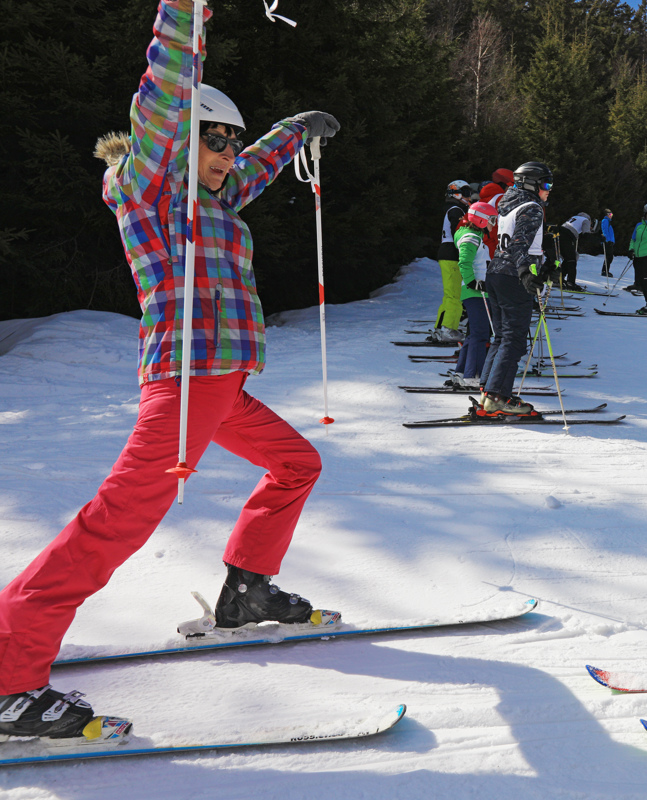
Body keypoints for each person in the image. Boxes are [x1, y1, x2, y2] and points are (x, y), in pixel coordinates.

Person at [0, 0, 340, 742]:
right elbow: (166, 89)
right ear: (176, 143)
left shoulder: (215, 200)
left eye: (231, 144)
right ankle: (7, 678)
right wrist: (186, 13)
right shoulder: (153, 192)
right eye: (211, 141)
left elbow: (252, 169)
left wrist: (292, 132)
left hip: (223, 389)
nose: (224, 155)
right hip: (185, 389)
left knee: (295, 463)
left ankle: (246, 591)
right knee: (115, 524)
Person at [479, 161, 555, 416]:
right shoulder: (532, 208)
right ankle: (497, 397)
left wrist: (543, 268)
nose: (549, 190)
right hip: (513, 278)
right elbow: (519, 246)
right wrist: (526, 273)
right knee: (513, 339)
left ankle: (488, 391)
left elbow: (516, 244)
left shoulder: (507, 204)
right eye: (546, 184)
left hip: (496, 274)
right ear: (531, 184)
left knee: (501, 336)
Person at [447, 201, 498, 389]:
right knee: (481, 334)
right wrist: (472, 282)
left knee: (473, 334)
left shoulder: (473, 235)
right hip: (476, 293)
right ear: (481, 219)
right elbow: (464, 262)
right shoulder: (471, 237)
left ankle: (462, 372)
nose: (493, 223)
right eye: (491, 219)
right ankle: (473, 375)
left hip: (477, 291)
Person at [433, 179, 471, 342]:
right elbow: (460, 232)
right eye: (467, 193)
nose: (470, 197)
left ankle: (440, 328)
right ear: (457, 193)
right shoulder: (456, 210)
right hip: (452, 254)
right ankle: (449, 329)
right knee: (455, 295)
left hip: (447, 254)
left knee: (450, 295)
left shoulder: (453, 208)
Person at [557, 212, 593, 291]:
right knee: (571, 259)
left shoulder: (575, 217)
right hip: (567, 236)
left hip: (558, 234)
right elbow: (586, 234)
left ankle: (558, 278)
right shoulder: (586, 220)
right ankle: (571, 283)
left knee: (570, 257)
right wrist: (598, 238)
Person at [600, 208, 616, 277]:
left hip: (610, 241)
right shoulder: (605, 221)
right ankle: (605, 271)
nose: (611, 215)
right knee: (609, 256)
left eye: (611, 214)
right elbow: (605, 231)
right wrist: (607, 240)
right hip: (608, 241)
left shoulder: (608, 221)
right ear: (606, 215)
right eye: (610, 214)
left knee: (610, 256)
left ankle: (605, 270)